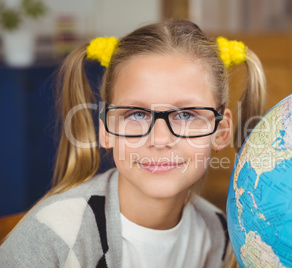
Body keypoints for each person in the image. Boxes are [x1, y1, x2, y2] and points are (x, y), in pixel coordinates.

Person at [0, 18, 266, 267]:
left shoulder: (218, 234)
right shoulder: (54, 236)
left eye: (186, 114)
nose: (160, 139)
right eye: (136, 114)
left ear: (220, 131)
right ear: (106, 129)